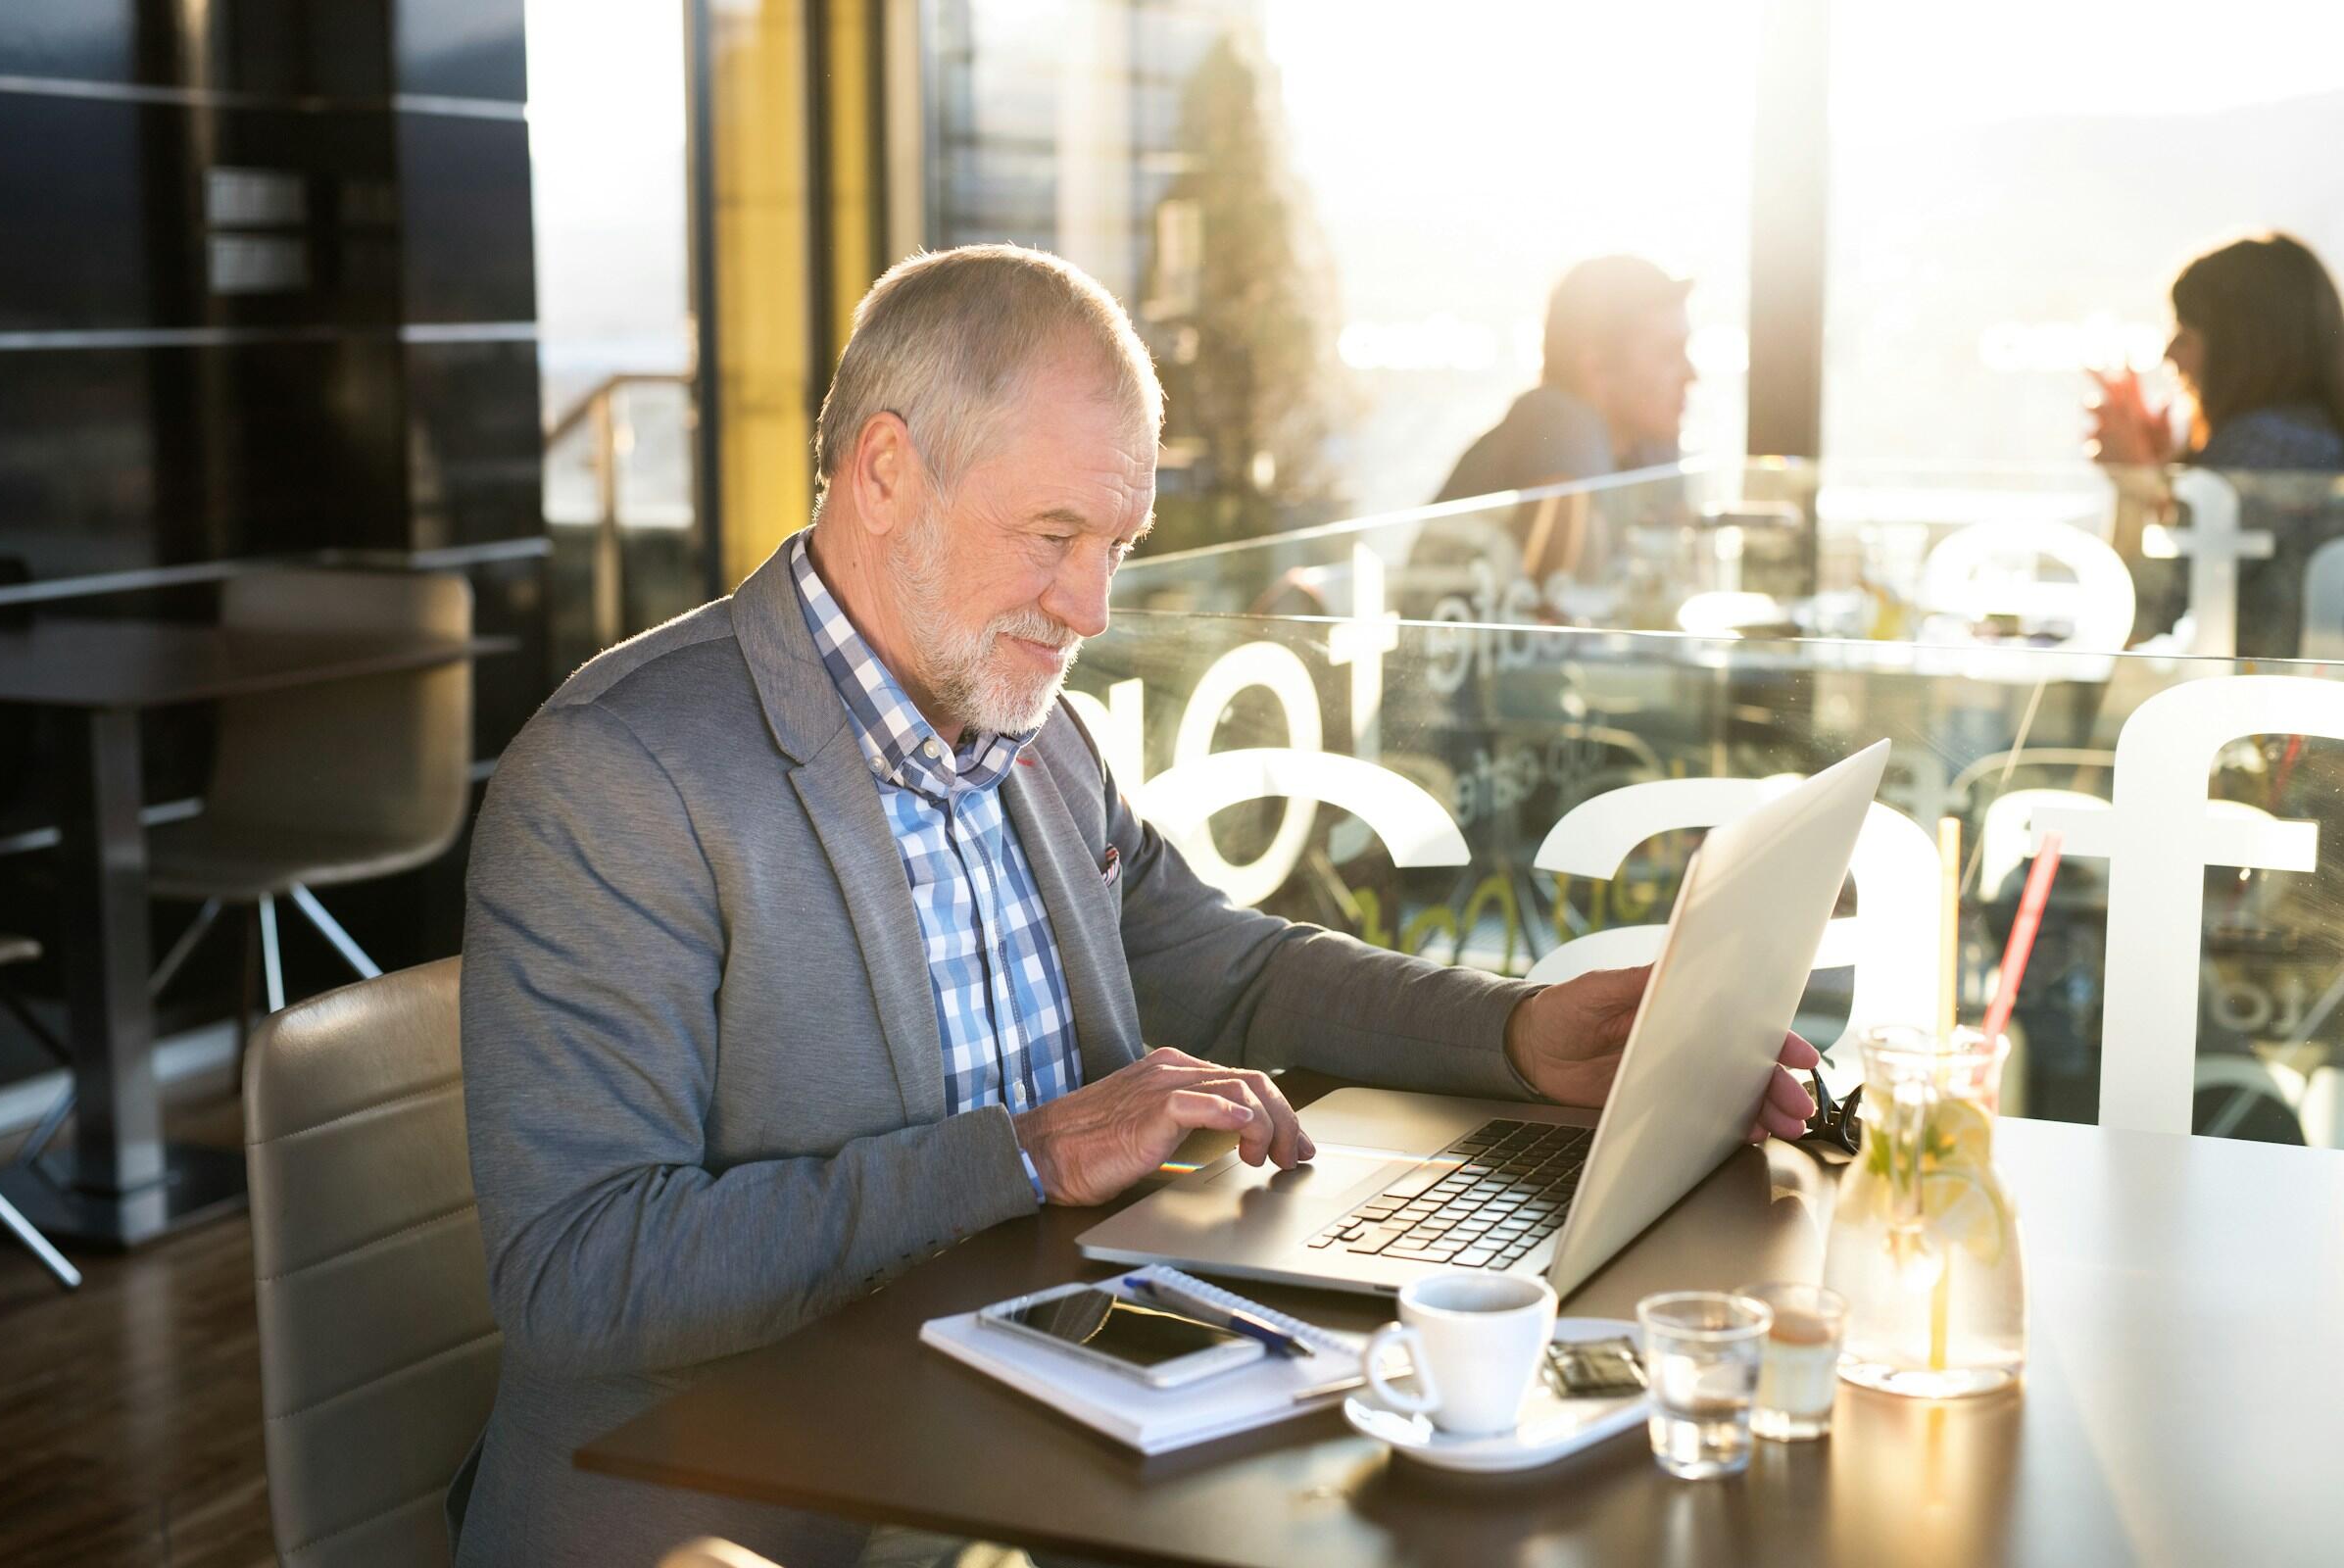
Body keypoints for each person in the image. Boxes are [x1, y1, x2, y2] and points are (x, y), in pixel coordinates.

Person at [452, 245, 1818, 1568]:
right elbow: (584, 1273)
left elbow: (1230, 968)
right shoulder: (621, 777)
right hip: (748, 1501)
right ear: (883, 472)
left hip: (1053, 1420)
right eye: (1056, 534)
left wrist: (1520, 1033)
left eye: (1119, 541)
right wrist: (1024, 1156)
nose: (1093, 606)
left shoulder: (1030, 728)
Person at [2088, 231, 2344, 655]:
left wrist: (2135, 485)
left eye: (2185, 333)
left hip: (2274, 714)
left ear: (2243, 349)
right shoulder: (2307, 440)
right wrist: (2166, 471)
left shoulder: (2258, 452)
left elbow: (2133, 619)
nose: (2169, 353)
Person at [1434, 254, 1696, 503]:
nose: (1691, 375)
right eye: (1667, 355)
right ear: (1597, 369)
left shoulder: (1650, 445)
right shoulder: (1561, 423)